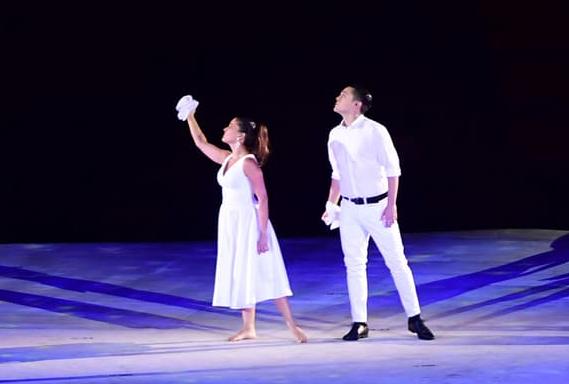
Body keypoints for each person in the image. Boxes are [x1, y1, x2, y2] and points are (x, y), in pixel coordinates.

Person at [181, 97, 308, 343]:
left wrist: (262, 234)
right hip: (231, 222)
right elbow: (201, 142)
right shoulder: (228, 159)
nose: (224, 129)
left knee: (268, 272)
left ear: (240, 136)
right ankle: (249, 327)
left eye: (229, 126)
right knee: (241, 272)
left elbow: (262, 197)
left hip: (250, 223)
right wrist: (190, 116)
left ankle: (292, 325)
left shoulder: (249, 164)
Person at [321, 85, 435, 341]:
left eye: (343, 95)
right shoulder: (334, 134)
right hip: (350, 208)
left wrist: (391, 204)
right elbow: (336, 174)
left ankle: (414, 317)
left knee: (397, 261)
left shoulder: (375, 131)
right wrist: (331, 205)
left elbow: (393, 169)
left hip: (378, 206)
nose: (337, 97)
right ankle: (359, 322)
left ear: (357, 104)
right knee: (354, 264)